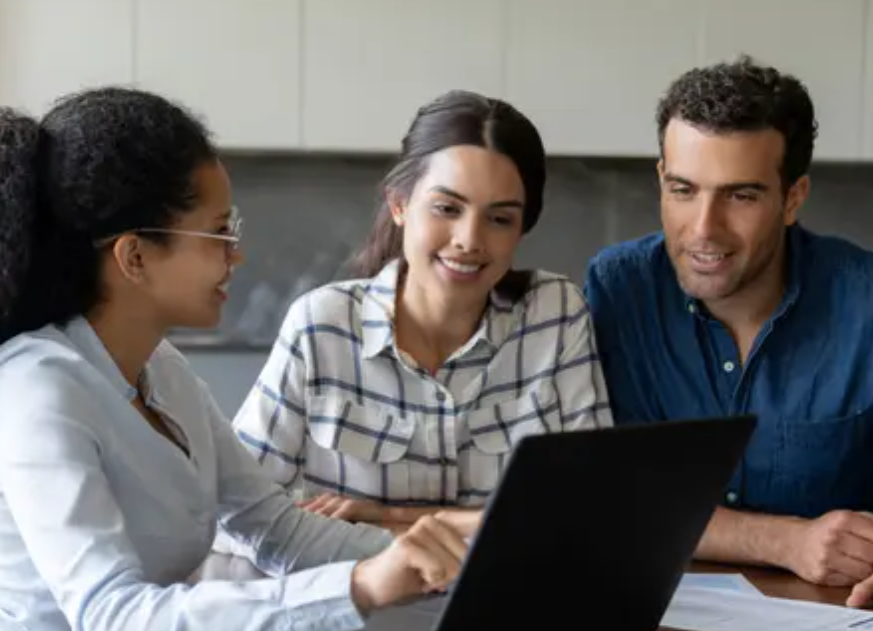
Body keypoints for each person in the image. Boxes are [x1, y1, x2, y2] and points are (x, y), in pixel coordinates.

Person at [0, 86, 473, 631]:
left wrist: (442, 562)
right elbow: (114, 625)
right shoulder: (34, 389)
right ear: (134, 255)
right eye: (216, 232)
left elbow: (276, 529)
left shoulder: (160, 369)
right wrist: (359, 585)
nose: (236, 254)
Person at [583, 56, 873, 630]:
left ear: (793, 198)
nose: (703, 229)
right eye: (683, 190)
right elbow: (608, 498)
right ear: (661, 177)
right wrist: (785, 541)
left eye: (740, 196)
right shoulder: (618, 292)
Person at [216, 90, 612, 547]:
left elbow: (592, 511)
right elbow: (235, 512)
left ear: (522, 228)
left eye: (499, 219)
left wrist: (396, 518)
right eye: (447, 208)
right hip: (357, 605)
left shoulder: (555, 316)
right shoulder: (322, 325)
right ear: (400, 204)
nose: (469, 239)